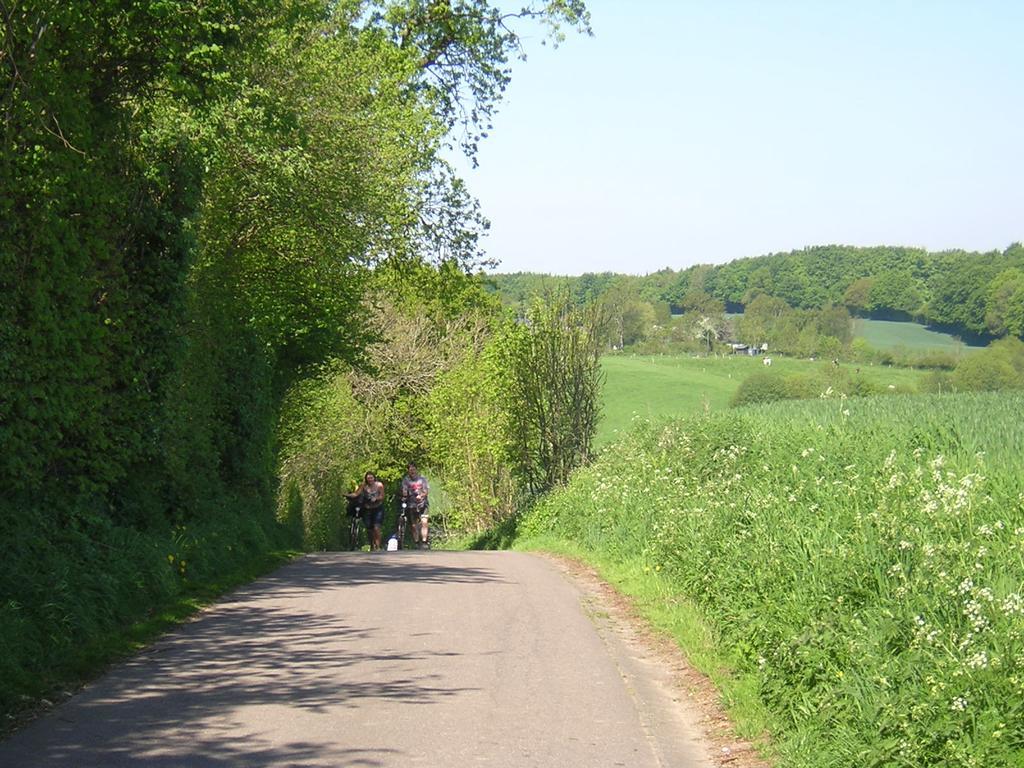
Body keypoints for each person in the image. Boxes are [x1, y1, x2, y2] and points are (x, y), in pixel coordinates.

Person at [400, 463, 430, 549]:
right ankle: (416, 542)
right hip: (411, 505)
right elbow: (404, 490)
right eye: (410, 470)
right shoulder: (405, 480)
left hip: (423, 503)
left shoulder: (422, 479)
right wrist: (405, 494)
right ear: (408, 471)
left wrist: (422, 496)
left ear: (416, 470)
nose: (412, 471)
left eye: (413, 469)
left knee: (424, 522)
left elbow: (426, 491)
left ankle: (424, 542)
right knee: (413, 524)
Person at [352, 471, 385, 551]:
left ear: (374, 478)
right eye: (368, 478)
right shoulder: (364, 486)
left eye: (371, 478)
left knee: (376, 527)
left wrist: (376, 498)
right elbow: (356, 494)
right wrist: (346, 495)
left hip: (378, 508)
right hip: (367, 509)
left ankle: (378, 546)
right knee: (369, 529)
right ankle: (371, 544)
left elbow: (382, 496)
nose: (370, 480)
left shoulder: (379, 485)